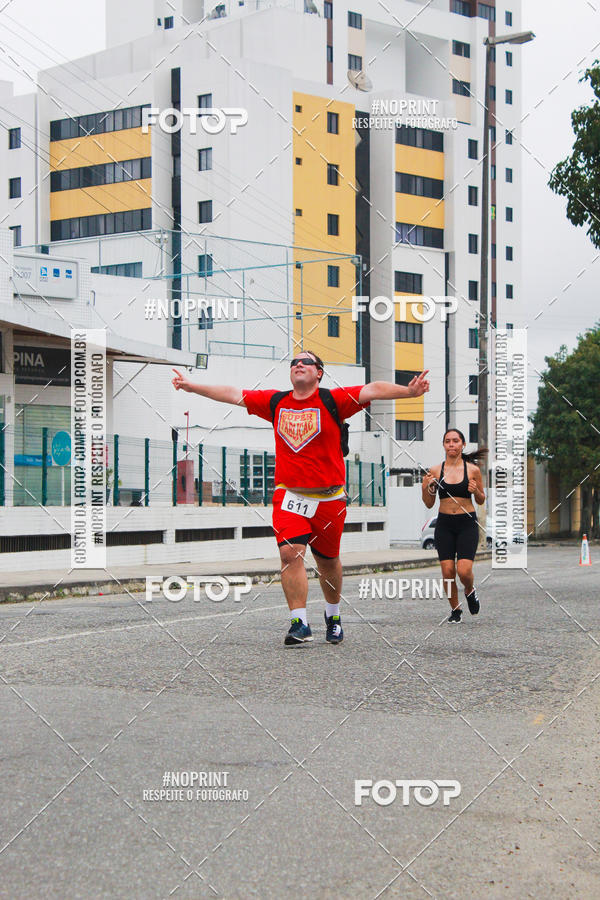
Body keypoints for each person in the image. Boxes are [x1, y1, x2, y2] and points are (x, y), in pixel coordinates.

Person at [173, 352, 429, 646]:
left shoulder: (334, 400)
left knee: (328, 562)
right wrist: (193, 387)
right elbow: (234, 394)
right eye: (294, 362)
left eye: (306, 362)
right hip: (288, 494)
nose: (298, 364)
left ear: (319, 373)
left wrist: (409, 392)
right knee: (289, 553)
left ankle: (332, 615)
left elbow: (372, 389)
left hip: (329, 499)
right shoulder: (275, 402)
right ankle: (299, 622)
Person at [421, 428, 486, 623]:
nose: (451, 444)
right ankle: (455, 610)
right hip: (445, 524)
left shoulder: (472, 470)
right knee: (448, 571)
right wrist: (426, 487)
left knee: (464, 571)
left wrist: (476, 491)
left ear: (462, 445)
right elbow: (429, 503)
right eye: (448, 441)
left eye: (455, 441)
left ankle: (469, 590)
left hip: (467, 523)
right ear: (443, 445)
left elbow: (482, 500)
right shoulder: (435, 470)